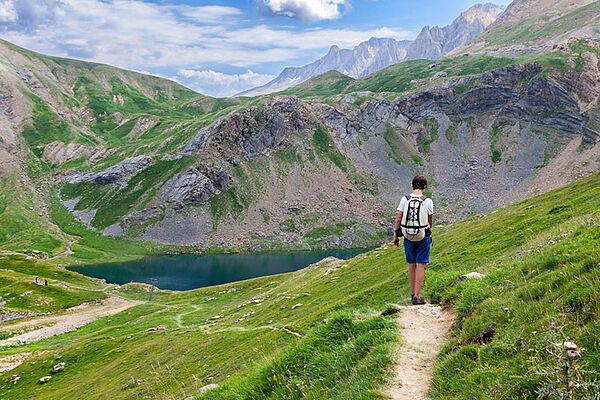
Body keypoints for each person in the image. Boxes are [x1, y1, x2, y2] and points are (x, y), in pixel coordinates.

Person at [393, 175, 433, 305]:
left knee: (411, 264)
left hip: (408, 236)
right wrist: (429, 233)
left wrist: (396, 235)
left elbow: (399, 219)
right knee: (421, 264)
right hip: (422, 236)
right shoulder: (428, 201)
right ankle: (417, 296)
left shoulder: (405, 199)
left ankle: (411, 293)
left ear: (412, 186)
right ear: (425, 187)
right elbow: (429, 221)